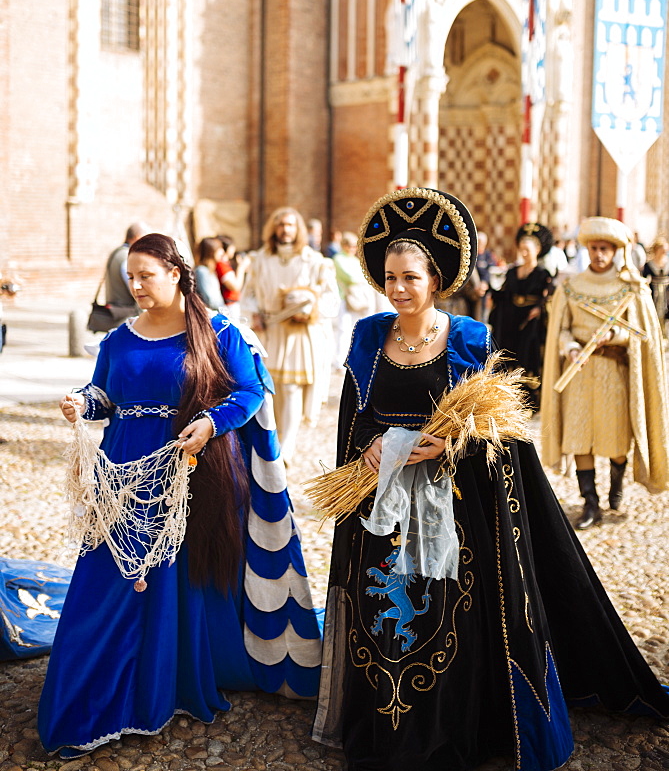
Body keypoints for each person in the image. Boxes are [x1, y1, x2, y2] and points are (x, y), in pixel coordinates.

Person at [312, 189, 669, 771]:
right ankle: (389, 733)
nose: (398, 289)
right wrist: (372, 445)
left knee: (442, 618)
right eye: (388, 277)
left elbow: (497, 435)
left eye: (410, 277)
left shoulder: (469, 341)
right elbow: (353, 425)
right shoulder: (368, 339)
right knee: (386, 624)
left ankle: (451, 729)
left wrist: (449, 443)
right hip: (381, 509)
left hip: (451, 511)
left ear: (436, 277)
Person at [38, 233, 321, 758]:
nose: (137, 285)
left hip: (189, 475)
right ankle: (94, 693)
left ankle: (160, 686)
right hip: (122, 475)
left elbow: (250, 391)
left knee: (170, 583)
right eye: (130, 277)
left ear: (175, 273)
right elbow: (105, 395)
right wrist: (82, 402)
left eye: (146, 275)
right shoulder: (119, 340)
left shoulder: (215, 331)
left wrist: (212, 423)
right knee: (109, 581)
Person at [541, 217, 669, 530]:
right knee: (580, 438)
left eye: (605, 248)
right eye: (594, 248)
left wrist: (615, 337)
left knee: (615, 439)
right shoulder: (571, 287)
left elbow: (643, 336)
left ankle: (617, 484)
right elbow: (563, 328)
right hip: (579, 373)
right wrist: (570, 346)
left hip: (614, 373)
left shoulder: (632, 289)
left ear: (614, 251)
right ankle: (590, 503)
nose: (599, 254)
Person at [241, 208, 339, 465]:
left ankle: (288, 447)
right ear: (273, 228)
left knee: (292, 388)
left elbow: (331, 297)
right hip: (270, 331)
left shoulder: (314, 261)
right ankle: (274, 439)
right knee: (271, 389)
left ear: (298, 230)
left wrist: (311, 310)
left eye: (290, 225)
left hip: (299, 333)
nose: (285, 230)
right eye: (280, 225)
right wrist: (255, 314)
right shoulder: (260, 259)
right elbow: (248, 293)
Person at [489, 223, 555, 411]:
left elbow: (547, 298)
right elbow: (504, 293)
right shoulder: (511, 272)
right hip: (510, 319)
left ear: (538, 250)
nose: (524, 253)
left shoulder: (543, 274)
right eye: (522, 249)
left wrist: (539, 309)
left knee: (527, 356)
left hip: (530, 322)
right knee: (507, 353)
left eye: (528, 250)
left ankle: (528, 399)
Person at [332, 231, 375, 367]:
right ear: (344, 245)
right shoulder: (338, 259)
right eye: (349, 246)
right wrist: (360, 280)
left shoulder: (355, 260)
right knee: (343, 329)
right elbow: (350, 277)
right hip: (343, 297)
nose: (352, 249)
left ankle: (352, 357)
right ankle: (339, 360)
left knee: (354, 328)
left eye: (354, 246)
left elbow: (364, 277)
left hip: (357, 297)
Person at [104, 221, 151, 322]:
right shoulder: (127, 257)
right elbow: (134, 288)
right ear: (137, 237)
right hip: (124, 314)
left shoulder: (117, 252)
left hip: (115, 310)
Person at [216, 235, 250, 322]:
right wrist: (241, 267)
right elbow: (235, 286)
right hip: (229, 305)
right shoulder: (221, 265)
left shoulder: (225, 264)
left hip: (232, 304)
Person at [642, 235, 669, 332]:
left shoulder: (667, 263)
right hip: (654, 293)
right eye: (662, 249)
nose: (664, 252)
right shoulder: (649, 265)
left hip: (666, 294)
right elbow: (643, 279)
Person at [194, 236, 226, 311]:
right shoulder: (201, 271)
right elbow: (210, 300)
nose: (222, 252)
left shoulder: (209, 270)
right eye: (219, 249)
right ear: (211, 251)